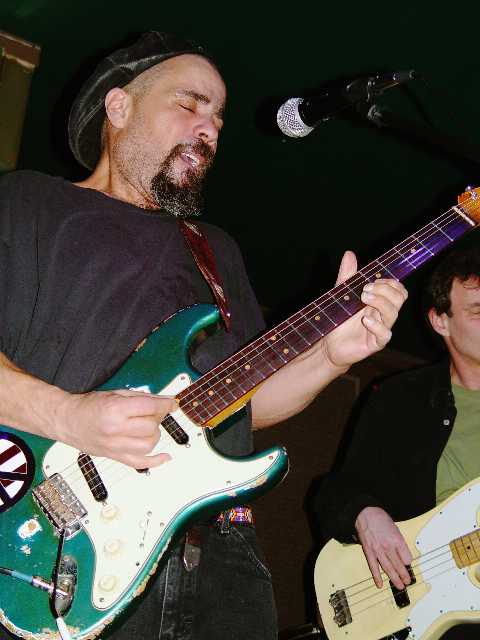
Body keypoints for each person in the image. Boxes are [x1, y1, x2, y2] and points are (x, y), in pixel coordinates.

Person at [0, 31, 407, 640]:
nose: (210, 129)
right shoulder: (25, 201)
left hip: (222, 559)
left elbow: (243, 407)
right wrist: (70, 416)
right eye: (190, 104)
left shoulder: (216, 250)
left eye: (217, 118)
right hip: (59, 542)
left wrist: (329, 355)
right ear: (119, 107)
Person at [315, 245, 480, 640]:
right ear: (440, 321)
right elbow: (333, 492)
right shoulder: (401, 398)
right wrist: (365, 514)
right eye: (478, 311)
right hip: (411, 613)